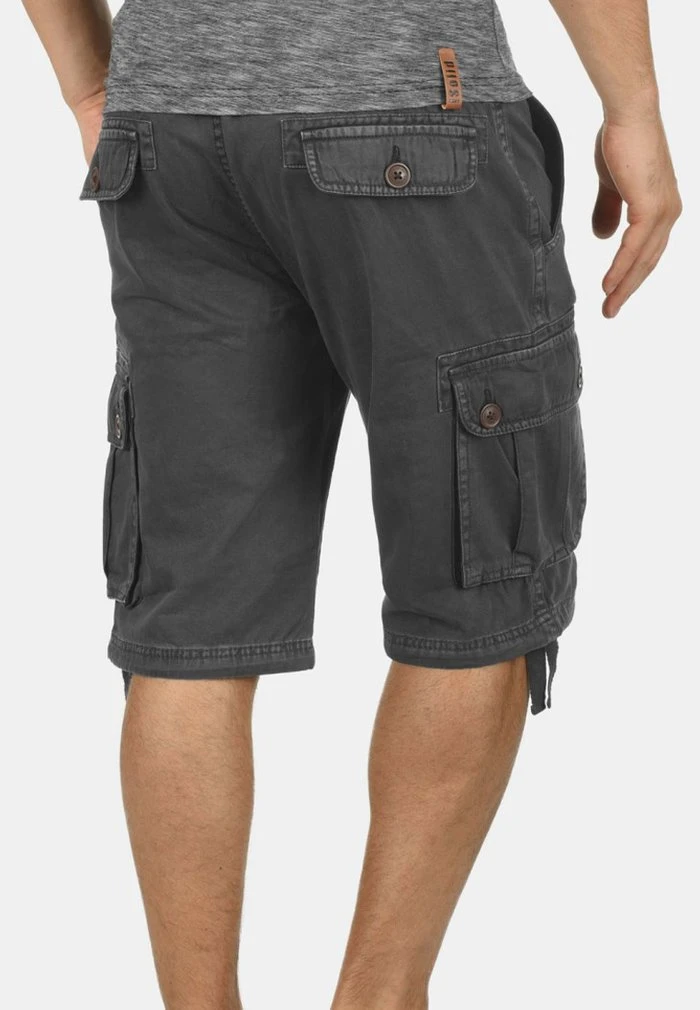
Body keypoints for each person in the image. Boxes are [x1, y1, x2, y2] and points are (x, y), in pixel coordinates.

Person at [23, 1, 681, 1008]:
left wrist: (92, 84)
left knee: (191, 618)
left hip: (172, 133)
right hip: (414, 102)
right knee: (477, 574)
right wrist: (632, 108)